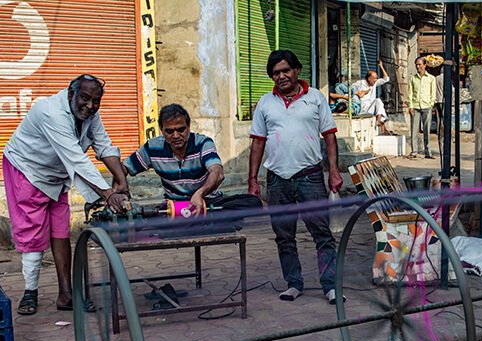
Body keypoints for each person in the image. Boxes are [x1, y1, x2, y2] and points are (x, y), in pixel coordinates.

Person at [2, 74, 130, 315]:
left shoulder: (91, 115)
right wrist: (107, 194)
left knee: (60, 230)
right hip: (27, 169)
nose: (90, 106)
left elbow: (103, 146)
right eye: (84, 98)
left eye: (95, 101)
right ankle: (30, 292)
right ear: (71, 94)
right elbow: (76, 157)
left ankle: (66, 295)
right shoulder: (50, 112)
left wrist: (121, 181)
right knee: (33, 232)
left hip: (56, 174)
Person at [247, 49, 344, 305]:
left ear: (296, 70)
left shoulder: (315, 98)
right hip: (277, 179)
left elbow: (330, 135)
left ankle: (330, 285)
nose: (281, 76)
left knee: (321, 233)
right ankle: (294, 283)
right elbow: (257, 142)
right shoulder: (265, 103)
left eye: (285, 70)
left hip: (310, 176)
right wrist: (253, 179)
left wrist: (333, 170)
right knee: (284, 235)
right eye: (275, 73)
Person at [123, 103, 262, 216]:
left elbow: (217, 173)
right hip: (174, 207)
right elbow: (124, 168)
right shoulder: (152, 148)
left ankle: (194, 222)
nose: (176, 135)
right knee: (143, 216)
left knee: (253, 203)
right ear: (161, 130)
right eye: (169, 131)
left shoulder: (203, 143)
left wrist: (200, 193)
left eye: (181, 129)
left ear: (189, 127)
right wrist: (118, 192)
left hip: (208, 201)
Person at [408, 56, 437, 159]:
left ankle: (427, 152)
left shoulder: (431, 78)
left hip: (426, 106)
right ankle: (414, 151)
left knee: (426, 130)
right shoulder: (413, 78)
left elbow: (433, 93)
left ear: (425, 65)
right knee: (414, 130)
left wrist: (431, 104)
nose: (417, 66)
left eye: (420, 64)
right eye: (416, 64)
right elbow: (410, 93)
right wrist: (410, 106)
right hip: (415, 106)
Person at [352, 59, 390, 134]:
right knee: (378, 101)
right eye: (374, 78)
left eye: (376, 78)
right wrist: (360, 92)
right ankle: (380, 123)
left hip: (370, 109)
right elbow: (350, 90)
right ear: (369, 79)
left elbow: (386, 79)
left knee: (378, 100)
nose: (376, 80)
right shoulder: (360, 83)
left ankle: (379, 121)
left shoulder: (374, 83)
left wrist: (381, 66)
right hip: (362, 110)